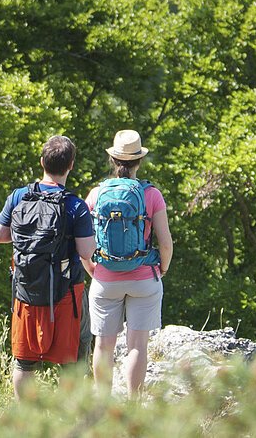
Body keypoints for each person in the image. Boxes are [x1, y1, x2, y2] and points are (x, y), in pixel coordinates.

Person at [0, 135, 96, 398]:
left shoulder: (19, 197)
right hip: (66, 292)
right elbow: (86, 251)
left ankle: (25, 421)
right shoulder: (75, 206)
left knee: (24, 362)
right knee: (72, 361)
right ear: (71, 165)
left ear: (41, 162)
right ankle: (67, 418)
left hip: (26, 291)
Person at [85, 129, 174, 395]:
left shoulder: (96, 194)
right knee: (137, 345)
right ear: (139, 161)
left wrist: (92, 269)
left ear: (113, 160)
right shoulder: (152, 195)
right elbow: (166, 243)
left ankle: (102, 408)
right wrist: (162, 269)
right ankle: (133, 408)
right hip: (143, 277)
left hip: (104, 278)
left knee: (103, 346)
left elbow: (83, 244)